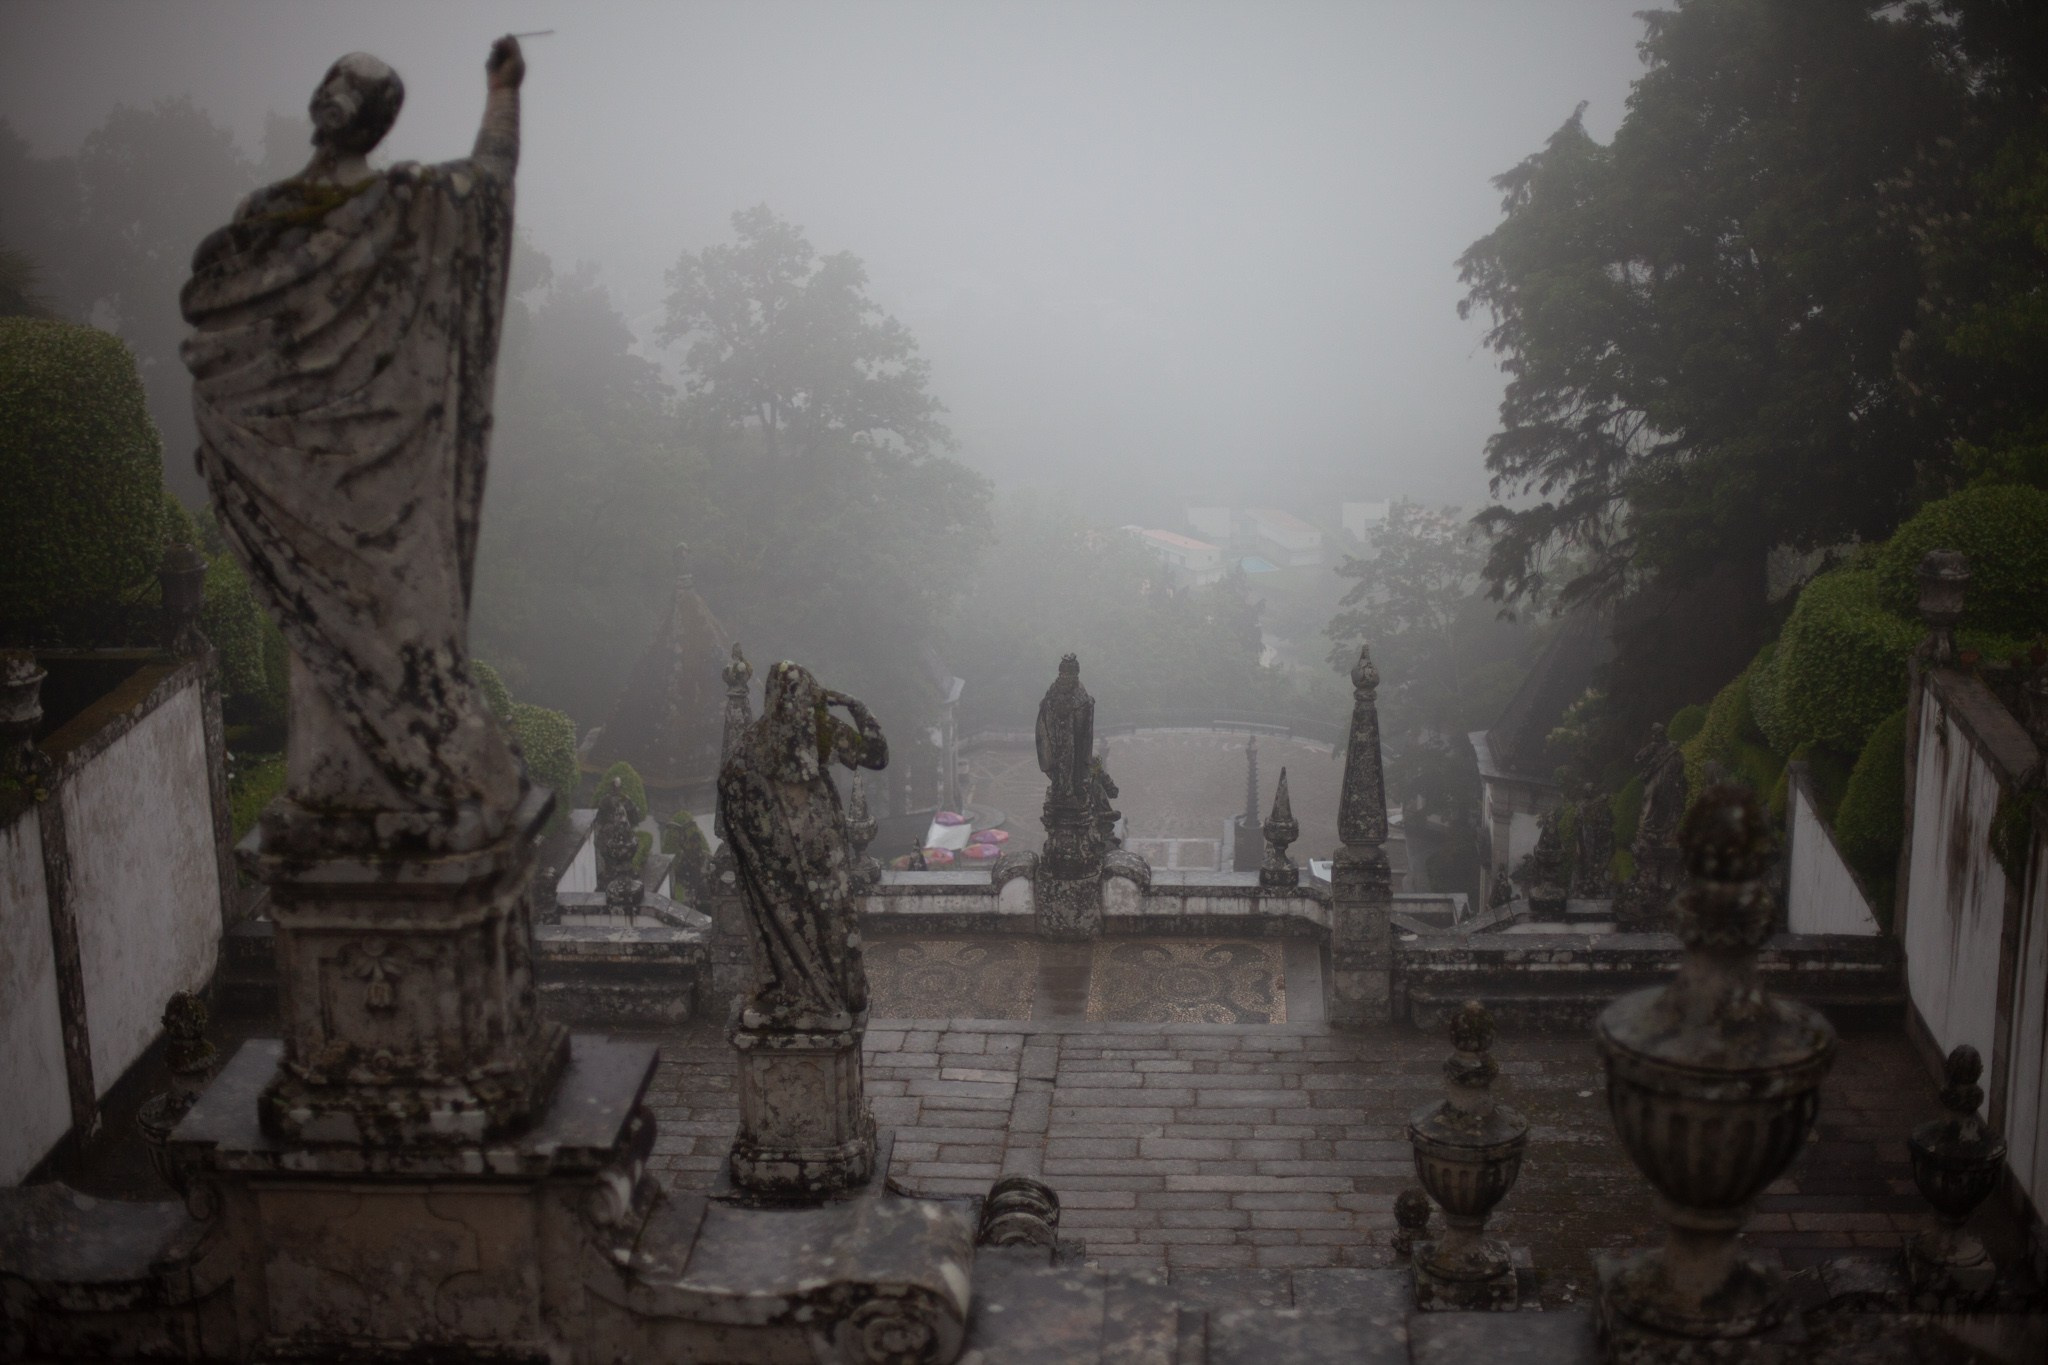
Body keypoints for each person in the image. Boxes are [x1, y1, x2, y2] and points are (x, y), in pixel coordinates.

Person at [182, 38, 528, 851]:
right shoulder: (381, 214)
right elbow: (489, 181)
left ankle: (385, 769)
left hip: (341, 482)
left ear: (328, 108)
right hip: (354, 483)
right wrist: (504, 91)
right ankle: (394, 767)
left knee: (379, 633)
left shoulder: (277, 228)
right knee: (383, 634)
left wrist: (500, 92)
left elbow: (223, 359)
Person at [717, 662, 888, 1023]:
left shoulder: (817, 730)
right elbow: (734, 803)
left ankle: (838, 992)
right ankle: (797, 992)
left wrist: (856, 706)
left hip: (824, 854)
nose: (800, 712)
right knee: (789, 924)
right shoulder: (752, 750)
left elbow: (876, 756)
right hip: (780, 866)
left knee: (835, 921)